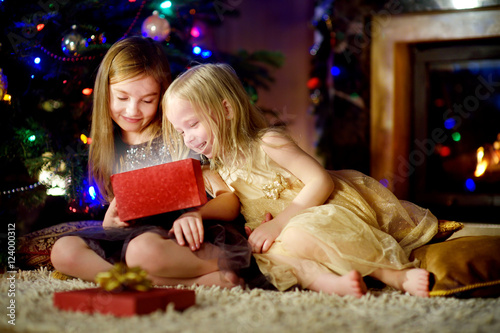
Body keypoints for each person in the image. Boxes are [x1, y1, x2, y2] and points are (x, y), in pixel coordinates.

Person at [162, 63, 439, 298]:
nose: (189, 139)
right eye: (181, 131)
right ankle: (330, 284)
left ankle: (394, 275)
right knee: (268, 256)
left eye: (193, 125)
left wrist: (280, 224)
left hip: (322, 209)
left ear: (226, 110)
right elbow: (231, 205)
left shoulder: (267, 142)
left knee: (298, 232)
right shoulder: (218, 169)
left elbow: (321, 182)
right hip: (279, 230)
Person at [50, 38, 251, 288]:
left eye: (147, 100)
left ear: (161, 96)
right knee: (63, 250)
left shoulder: (178, 136)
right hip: (135, 238)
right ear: (105, 93)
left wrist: (195, 214)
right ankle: (143, 281)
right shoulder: (110, 145)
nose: (132, 110)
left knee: (141, 251)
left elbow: (229, 199)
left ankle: (207, 271)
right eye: (122, 98)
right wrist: (109, 224)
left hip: (183, 239)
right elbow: (121, 210)